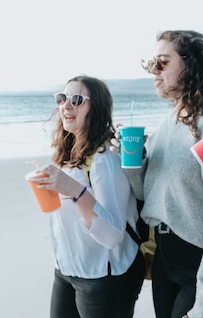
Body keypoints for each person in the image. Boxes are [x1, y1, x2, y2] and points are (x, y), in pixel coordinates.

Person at [123, 30, 203, 318]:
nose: (154, 71)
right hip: (164, 257)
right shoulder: (167, 123)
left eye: (162, 62)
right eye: (151, 64)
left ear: (191, 63)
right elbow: (148, 194)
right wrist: (133, 162)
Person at [28, 75, 144, 318]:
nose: (65, 106)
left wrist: (75, 191)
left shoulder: (105, 159)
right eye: (62, 98)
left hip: (101, 275)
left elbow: (112, 234)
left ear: (97, 108)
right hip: (66, 268)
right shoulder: (68, 152)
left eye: (77, 100)